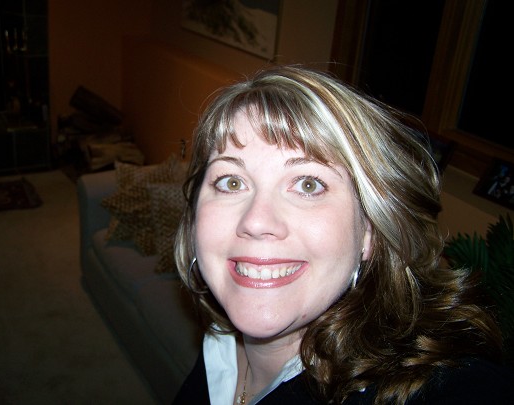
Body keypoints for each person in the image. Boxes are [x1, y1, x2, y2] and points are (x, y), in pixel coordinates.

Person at [172, 65, 513, 404]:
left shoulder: (451, 388)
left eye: (308, 184)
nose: (257, 221)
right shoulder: (220, 348)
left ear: (370, 230)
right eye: (231, 182)